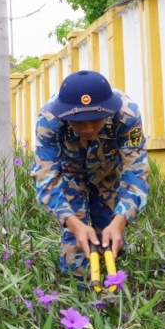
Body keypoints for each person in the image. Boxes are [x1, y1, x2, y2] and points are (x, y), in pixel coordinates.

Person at [31, 70, 148, 283]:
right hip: (69, 174)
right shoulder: (49, 119)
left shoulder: (128, 115)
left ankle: (114, 298)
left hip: (108, 172)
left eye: (95, 120)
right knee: (77, 245)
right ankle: (80, 295)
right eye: (78, 122)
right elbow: (46, 179)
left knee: (110, 239)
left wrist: (119, 221)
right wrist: (74, 224)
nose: (88, 128)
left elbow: (136, 174)